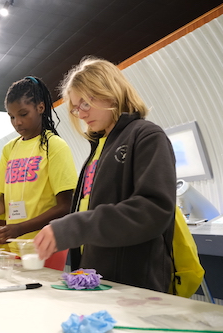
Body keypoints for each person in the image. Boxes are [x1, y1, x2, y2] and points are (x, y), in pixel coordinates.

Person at [34, 56, 176, 293]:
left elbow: (152, 210)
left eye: (85, 104)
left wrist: (72, 227)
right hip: (99, 280)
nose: (80, 114)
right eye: (75, 108)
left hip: (135, 284)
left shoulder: (147, 136)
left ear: (110, 92)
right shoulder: (98, 148)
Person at [0, 76, 78, 255]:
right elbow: (3, 199)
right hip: (14, 245)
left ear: (40, 107)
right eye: (12, 117)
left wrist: (20, 227)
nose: (17, 122)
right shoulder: (10, 149)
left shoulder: (54, 146)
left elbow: (66, 205)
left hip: (46, 246)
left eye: (23, 114)